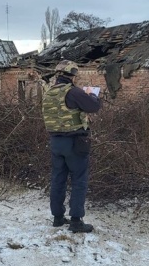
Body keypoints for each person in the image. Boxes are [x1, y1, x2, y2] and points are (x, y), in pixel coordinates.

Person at [42, 59, 102, 233]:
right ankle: (76, 221)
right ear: (72, 75)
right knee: (79, 181)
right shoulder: (73, 92)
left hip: (55, 142)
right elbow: (93, 106)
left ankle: (58, 218)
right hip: (75, 142)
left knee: (57, 180)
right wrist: (92, 94)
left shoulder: (48, 92)